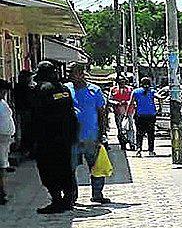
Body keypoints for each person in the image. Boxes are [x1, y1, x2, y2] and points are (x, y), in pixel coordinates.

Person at [32, 61, 79, 214]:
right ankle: (68, 199)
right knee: (65, 169)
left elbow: (35, 116)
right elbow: (70, 112)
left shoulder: (41, 90)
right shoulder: (64, 89)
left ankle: (57, 201)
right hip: (65, 138)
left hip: (48, 139)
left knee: (48, 169)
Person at [65, 63, 110, 204]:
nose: (69, 75)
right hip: (72, 136)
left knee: (96, 167)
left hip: (91, 136)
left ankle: (97, 194)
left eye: (71, 72)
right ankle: (72, 196)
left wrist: (102, 134)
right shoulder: (66, 89)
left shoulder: (95, 90)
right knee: (70, 168)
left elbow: (102, 113)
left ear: (80, 73)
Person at [131, 77, 158, 156]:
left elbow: (130, 103)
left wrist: (127, 113)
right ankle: (151, 151)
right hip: (151, 115)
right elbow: (159, 96)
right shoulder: (152, 91)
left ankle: (139, 149)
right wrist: (160, 106)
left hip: (139, 115)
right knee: (151, 133)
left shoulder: (136, 91)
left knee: (139, 133)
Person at [13, 69, 35, 157]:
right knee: (27, 131)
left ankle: (24, 148)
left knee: (23, 130)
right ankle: (26, 149)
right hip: (26, 111)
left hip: (21, 111)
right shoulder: (25, 88)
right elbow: (30, 100)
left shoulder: (17, 87)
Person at [110, 75, 134, 150]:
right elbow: (110, 99)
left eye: (123, 81)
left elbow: (134, 99)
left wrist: (126, 102)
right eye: (120, 81)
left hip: (129, 112)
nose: (122, 83)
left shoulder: (130, 89)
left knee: (130, 128)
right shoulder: (113, 89)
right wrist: (116, 103)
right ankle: (122, 143)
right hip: (118, 112)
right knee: (120, 129)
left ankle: (132, 143)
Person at [0, 80, 15, 205]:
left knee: (3, 166)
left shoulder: (2, 103)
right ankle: (1, 193)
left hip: (4, 139)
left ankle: (2, 192)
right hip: (1, 138)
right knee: (2, 167)